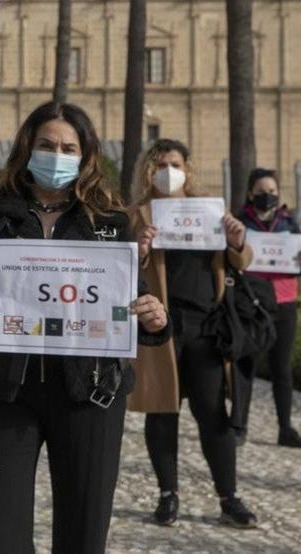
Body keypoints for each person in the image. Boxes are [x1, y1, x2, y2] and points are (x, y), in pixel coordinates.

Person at [0, 101, 168, 553]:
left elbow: (131, 309)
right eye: (46, 144)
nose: (56, 154)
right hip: (10, 391)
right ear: (28, 148)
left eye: (68, 147)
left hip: (91, 394)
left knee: (83, 537)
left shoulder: (109, 221)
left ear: (85, 156)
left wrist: (154, 320)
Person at [129, 139, 258, 528]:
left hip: (206, 326)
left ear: (188, 167)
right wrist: (142, 248)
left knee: (212, 412)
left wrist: (237, 241)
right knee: (162, 411)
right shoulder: (139, 213)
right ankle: (168, 495)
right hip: (161, 327)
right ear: (148, 171)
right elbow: (124, 263)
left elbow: (242, 259)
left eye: (175, 163)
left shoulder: (211, 210)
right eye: (160, 165)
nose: (168, 171)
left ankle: (228, 496)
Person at [237, 168, 301, 447]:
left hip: (284, 303)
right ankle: (239, 426)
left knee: (281, 369)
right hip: (250, 303)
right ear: (251, 193)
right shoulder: (240, 224)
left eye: (272, 192)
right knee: (245, 365)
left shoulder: (291, 225)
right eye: (262, 192)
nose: (268, 197)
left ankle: (285, 428)